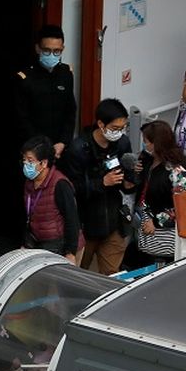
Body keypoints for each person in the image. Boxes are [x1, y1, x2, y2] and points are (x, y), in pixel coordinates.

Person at [59, 98, 135, 274]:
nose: (119, 133)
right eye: (115, 129)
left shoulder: (122, 143)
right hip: (86, 225)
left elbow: (128, 181)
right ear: (101, 123)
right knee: (78, 274)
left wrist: (130, 181)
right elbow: (70, 188)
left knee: (113, 276)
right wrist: (101, 183)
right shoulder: (78, 149)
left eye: (123, 128)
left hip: (114, 222)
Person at [14, 25, 78, 157]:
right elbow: (22, 118)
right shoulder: (25, 78)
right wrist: (41, 146)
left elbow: (70, 111)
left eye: (57, 51)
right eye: (47, 50)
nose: (52, 55)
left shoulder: (66, 74)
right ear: (38, 48)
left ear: (62, 49)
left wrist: (63, 142)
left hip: (60, 147)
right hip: (34, 147)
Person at [135, 121, 186, 262]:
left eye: (146, 142)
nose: (144, 145)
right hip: (147, 232)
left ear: (156, 143)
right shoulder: (148, 164)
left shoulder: (177, 172)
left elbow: (184, 207)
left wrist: (156, 221)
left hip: (167, 238)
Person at [20, 136, 80, 264]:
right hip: (40, 243)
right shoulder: (29, 183)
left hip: (61, 246)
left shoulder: (60, 184)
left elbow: (72, 219)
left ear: (44, 163)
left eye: (30, 161)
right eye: (24, 160)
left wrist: (70, 252)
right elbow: (30, 215)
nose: (26, 165)